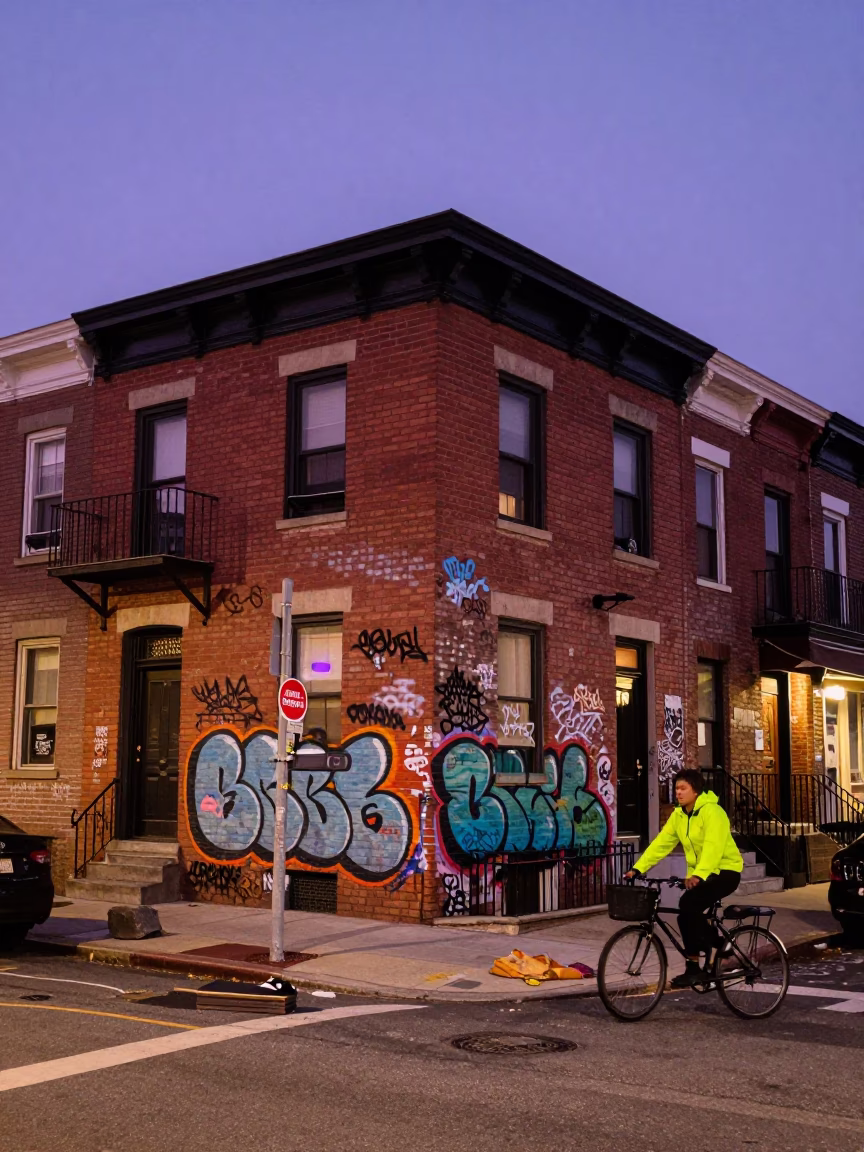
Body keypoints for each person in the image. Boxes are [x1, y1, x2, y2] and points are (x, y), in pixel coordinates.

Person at [624, 768, 744, 988]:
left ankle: (705, 957)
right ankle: (706, 954)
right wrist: (638, 869)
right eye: (676, 788)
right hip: (702, 874)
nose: (678, 792)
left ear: (695, 791)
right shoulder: (678, 815)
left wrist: (698, 874)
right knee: (685, 916)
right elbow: (661, 844)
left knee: (688, 905)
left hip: (725, 872)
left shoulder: (713, 812)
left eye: (683, 788)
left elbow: (713, 847)